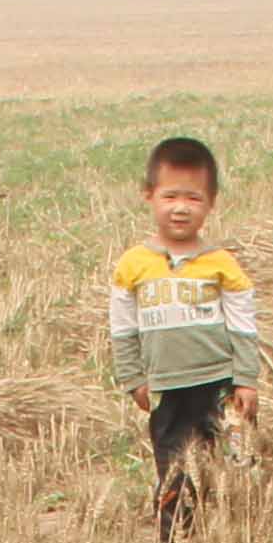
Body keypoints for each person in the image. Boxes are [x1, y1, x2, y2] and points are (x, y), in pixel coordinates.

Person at [107, 135, 264, 510]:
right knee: (173, 466)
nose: (181, 208)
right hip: (167, 387)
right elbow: (123, 327)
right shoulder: (133, 265)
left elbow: (243, 323)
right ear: (149, 195)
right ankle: (175, 541)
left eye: (193, 198)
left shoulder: (222, 263)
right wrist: (133, 377)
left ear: (211, 203)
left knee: (232, 461)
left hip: (218, 382)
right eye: (170, 196)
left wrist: (246, 378)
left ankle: (231, 532)